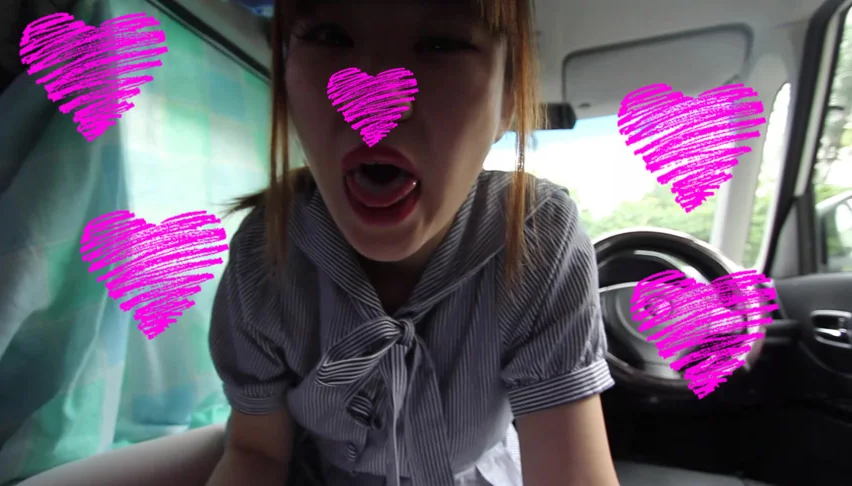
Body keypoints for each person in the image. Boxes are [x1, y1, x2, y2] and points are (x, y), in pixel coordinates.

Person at [206, 0, 620, 485]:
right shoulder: (265, 253)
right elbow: (256, 451)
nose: (374, 104)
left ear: (507, 102)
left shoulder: (535, 239)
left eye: (442, 45)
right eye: (329, 37)